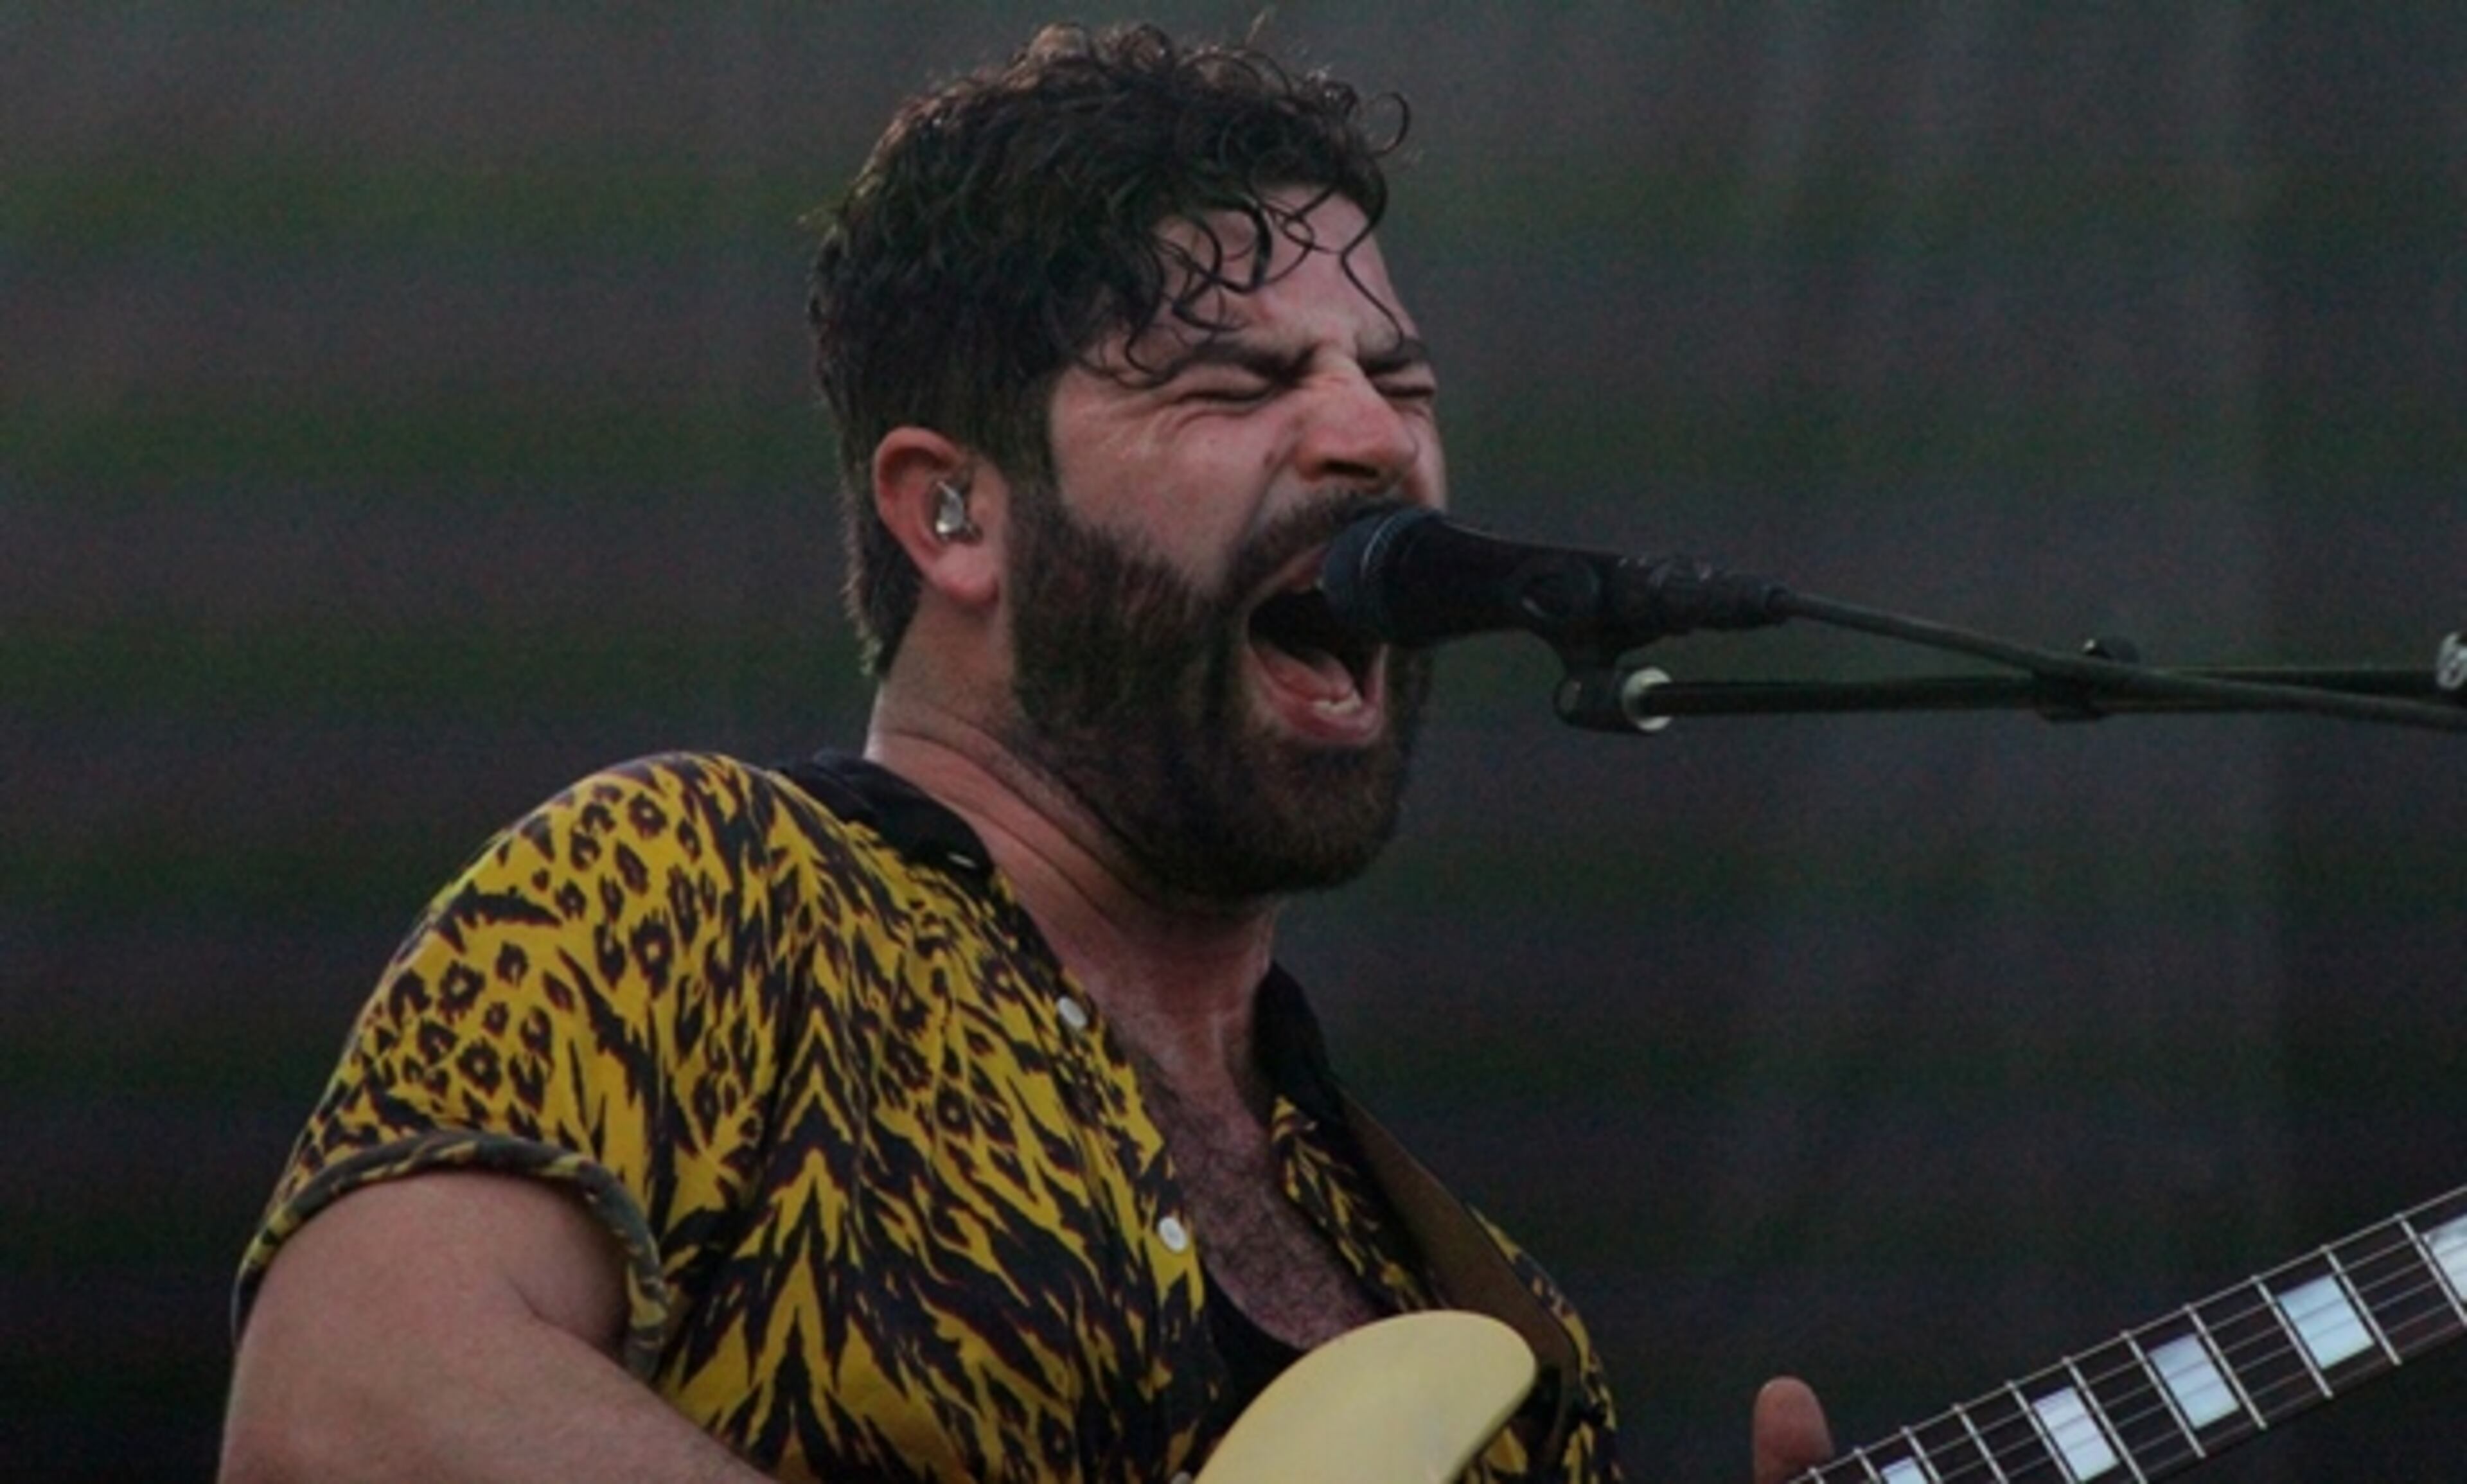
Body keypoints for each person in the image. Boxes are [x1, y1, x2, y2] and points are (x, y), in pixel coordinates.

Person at [218, 22, 1832, 1484]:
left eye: (1398, 377)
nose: (1374, 435)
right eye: (1239, 381)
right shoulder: (702, 888)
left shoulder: (1483, 1318)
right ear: (953, 508)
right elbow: (343, 1412)